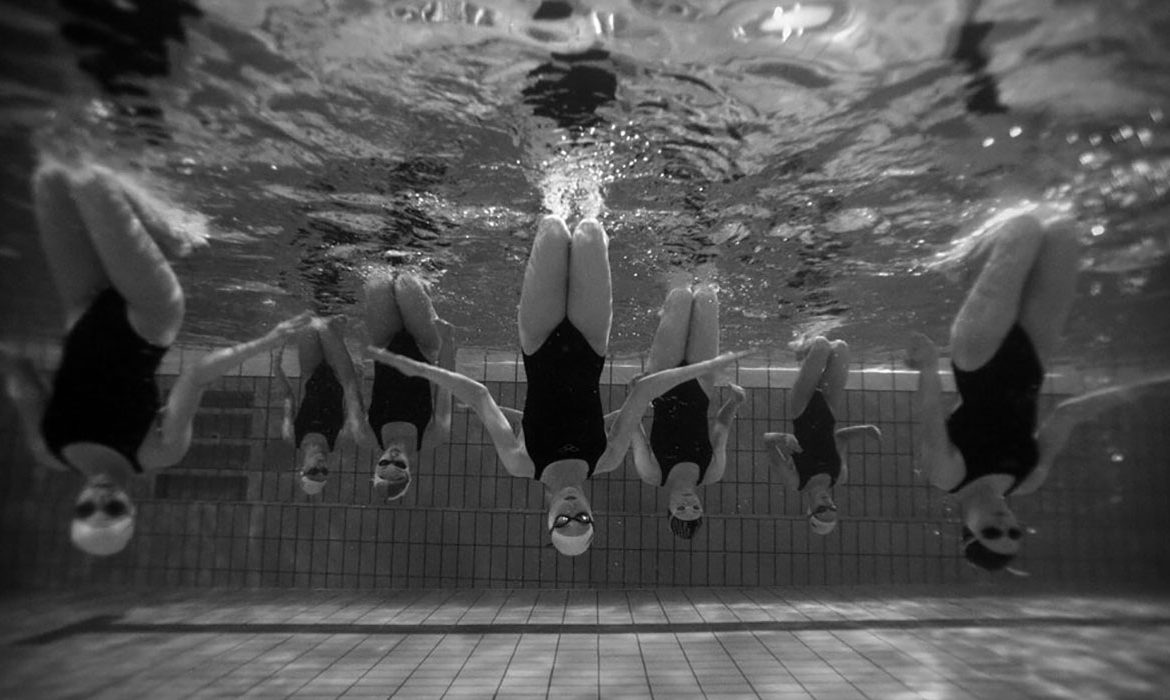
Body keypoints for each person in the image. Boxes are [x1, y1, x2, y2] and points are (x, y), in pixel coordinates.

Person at [366, 215, 744, 556]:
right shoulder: (607, 460)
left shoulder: (520, 462)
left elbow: (479, 397)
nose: (571, 511)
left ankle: (557, 186)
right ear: (592, 515)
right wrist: (709, 365)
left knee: (553, 228)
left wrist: (424, 371)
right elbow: (643, 393)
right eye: (582, 520)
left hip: (539, 340)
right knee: (591, 233)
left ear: (548, 519)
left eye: (563, 522)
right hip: (591, 341)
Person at [0, 156, 313, 556]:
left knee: (49, 171)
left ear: (75, 507)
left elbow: (18, 372)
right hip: (149, 315)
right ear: (129, 507)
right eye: (111, 509)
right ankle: (167, 227)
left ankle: (164, 232)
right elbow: (196, 376)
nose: (100, 497)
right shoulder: (159, 451)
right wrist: (267, 342)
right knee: (90, 176)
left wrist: (11, 365)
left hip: (83, 308)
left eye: (87, 509)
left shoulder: (49, 449)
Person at [905, 212, 1167, 571]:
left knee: (1024, 229)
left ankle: (966, 249)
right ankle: (975, 257)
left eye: (991, 532)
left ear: (966, 529)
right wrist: (1138, 389)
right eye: (1014, 532)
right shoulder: (1028, 479)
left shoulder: (946, 475)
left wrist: (929, 363)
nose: (1005, 524)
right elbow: (1067, 414)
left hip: (976, 353)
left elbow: (930, 412)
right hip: (1034, 354)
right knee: (1062, 229)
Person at [629, 283, 747, 540]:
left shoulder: (652, 473)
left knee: (680, 297)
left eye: (681, 509)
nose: (688, 502)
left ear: (668, 509)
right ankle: (703, 255)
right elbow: (720, 428)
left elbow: (632, 428)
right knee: (707, 298)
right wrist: (735, 402)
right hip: (701, 386)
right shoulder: (712, 472)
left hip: (662, 381)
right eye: (695, 509)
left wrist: (636, 393)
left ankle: (677, 257)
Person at [763, 336, 881, 536]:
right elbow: (841, 438)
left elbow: (767, 440)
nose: (828, 504)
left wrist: (783, 438)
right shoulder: (839, 476)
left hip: (802, 409)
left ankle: (800, 347)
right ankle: (804, 351)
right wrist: (865, 430)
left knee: (821, 345)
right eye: (832, 509)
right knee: (841, 348)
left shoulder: (795, 481)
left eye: (821, 509)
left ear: (810, 510)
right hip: (829, 410)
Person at [362, 269, 454, 502]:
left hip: (384, 345)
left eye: (384, 462)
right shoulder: (434, 436)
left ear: (376, 463)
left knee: (378, 280)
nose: (392, 455)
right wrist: (448, 343)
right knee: (406, 282)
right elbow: (446, 386)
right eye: (398, 463)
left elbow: (356, 387)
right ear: (409, 469)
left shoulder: (368, 434)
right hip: (423, 348)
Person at [274, 315, 371, 497]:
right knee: (330, 324)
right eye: (324, 472)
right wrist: (359, 378)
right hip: (340, 374)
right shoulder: (341, 440)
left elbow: (288, 398)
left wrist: (277, 368)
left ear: (302, 468)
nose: (320, 467)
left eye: (313, 472)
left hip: (310, 371)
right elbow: (355, 403)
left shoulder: (291, 436)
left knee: (309, 321)